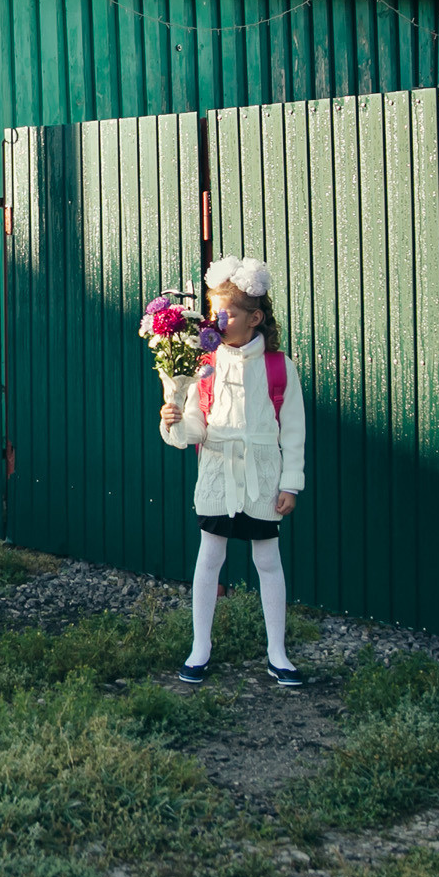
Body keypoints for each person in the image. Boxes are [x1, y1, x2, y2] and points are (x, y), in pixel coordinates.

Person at [156, 255, 308, 688]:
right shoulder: (205, 366)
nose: (217, 319)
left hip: (262, 478)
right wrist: (173, 421)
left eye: (227, 312)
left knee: (267, 561)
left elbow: (293, 430)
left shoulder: (280, 368)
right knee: (210, 558)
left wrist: (290, 483)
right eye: (214, 310)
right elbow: (195, 427)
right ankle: (199, 646)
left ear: (254, 318)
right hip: (219, 475)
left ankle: (277, 652)